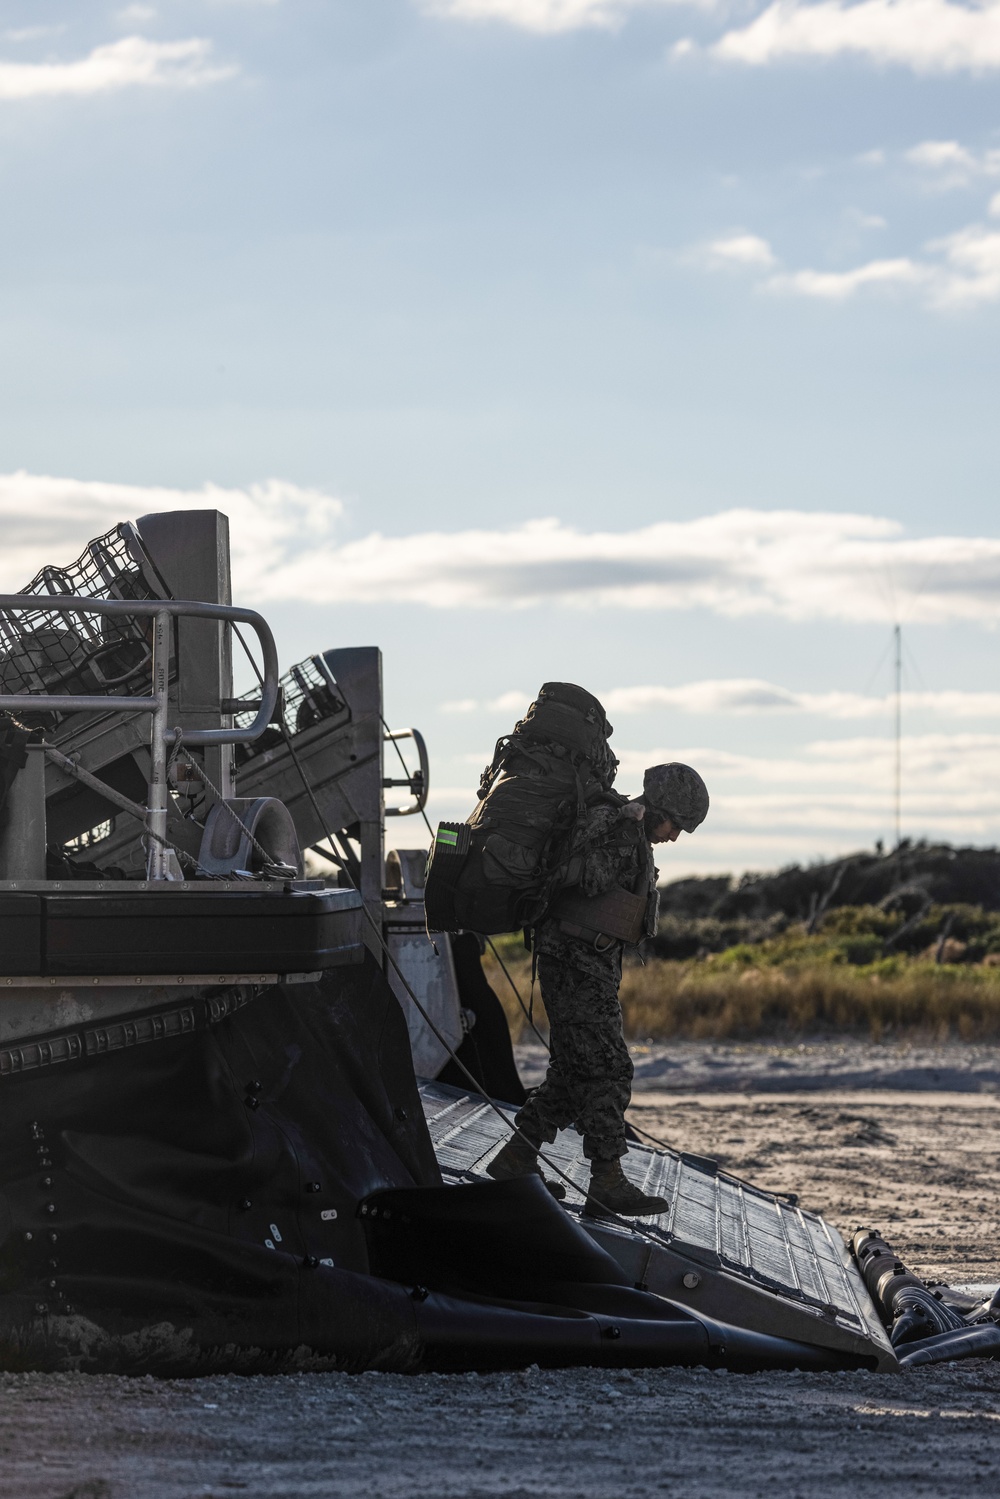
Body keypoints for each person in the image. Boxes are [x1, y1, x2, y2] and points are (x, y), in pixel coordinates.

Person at [487, 761, 709, 1216]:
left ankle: (517, 1156)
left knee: (574, 1071)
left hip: (585, 965)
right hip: (576, 966)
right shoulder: (619, 831)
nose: (674, 836)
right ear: (659, 808)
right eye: (676, 825)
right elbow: (584, 877)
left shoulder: (627, 832)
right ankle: (607, 1181)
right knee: (609, 1069)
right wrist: (618, 838)